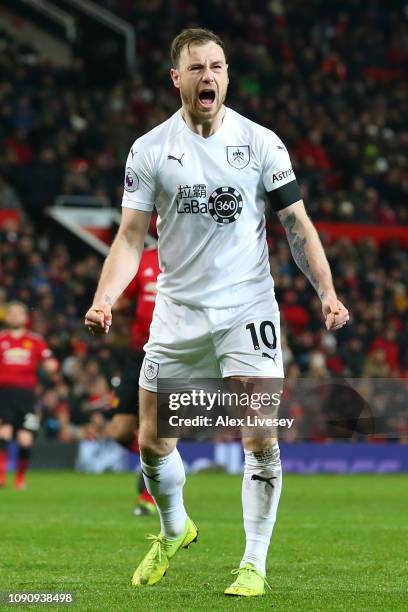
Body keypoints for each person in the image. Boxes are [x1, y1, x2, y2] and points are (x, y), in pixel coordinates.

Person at [85, 28, 349, 598]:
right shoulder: (150, 149)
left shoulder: (261, 143)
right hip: (178, 311)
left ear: (227, 75)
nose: (210, 76)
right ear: (176, 78)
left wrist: (326, 291)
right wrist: (105, 298)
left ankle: (253, 563)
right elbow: (131, 238)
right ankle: (174, 527)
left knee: (259, 433)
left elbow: (297, 225)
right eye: (198, 67)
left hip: (246, 307)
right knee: (153, 445)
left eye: (219, 66)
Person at [107, 245, 160, 515]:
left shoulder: (194, 254)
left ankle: (148, 497)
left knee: (152, 429)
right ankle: (164, 459)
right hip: (138, 354)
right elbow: (124, 300)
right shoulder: (145, 258)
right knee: (120, 431)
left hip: (171, 355)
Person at [0, 301, 57, 489]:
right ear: (6, 317)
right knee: (4, 433)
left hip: (27, 396)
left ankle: (20, 478)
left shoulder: (35, 340)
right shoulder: (1, 339)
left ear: (26, 318)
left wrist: (50, 366)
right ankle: (1, 477)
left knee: (25, 439)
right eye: (12, 313)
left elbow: (50, 362)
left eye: (19, 313)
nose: (15, 316)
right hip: (3, 395)